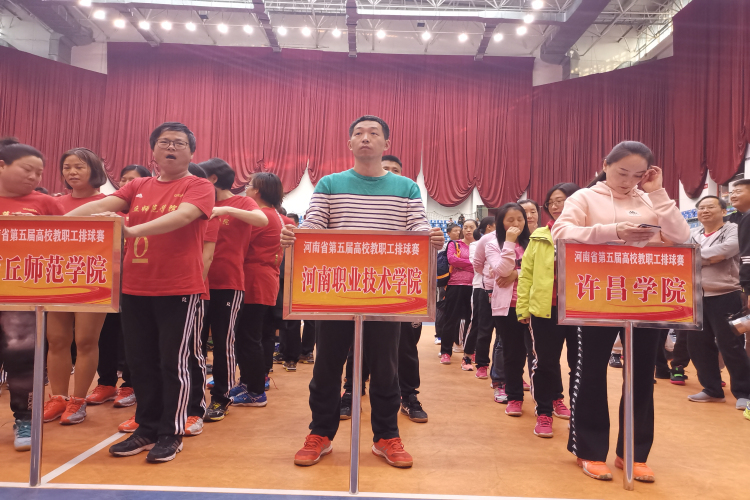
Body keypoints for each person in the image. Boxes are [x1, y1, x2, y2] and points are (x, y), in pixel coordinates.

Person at [281, 115, 444, 469]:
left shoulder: (406, 188)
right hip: (337, 291)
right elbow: (314, 226)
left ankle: (386, 436)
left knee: (386, 368)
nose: (365, 138)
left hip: (386, 293)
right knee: (327, 365)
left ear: (387, 144)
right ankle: (320, 433)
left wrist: (431, 238)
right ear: (350, 143)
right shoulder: (330, 183)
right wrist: (296, 236)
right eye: (358, 133)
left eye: (373, 133)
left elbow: (417, 227)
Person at [68, 122, 215, 463]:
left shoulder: (198, 186)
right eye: (164, 142)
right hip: (135, 288)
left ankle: (171, 432)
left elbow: (184, 216)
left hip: (178, 288)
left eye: (179, 143)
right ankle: (147, 428)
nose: (171, 147)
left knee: (173, 363)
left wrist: (131, 231)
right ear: (153, 150)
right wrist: (61, 222)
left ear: (191, 152)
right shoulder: (138, 185)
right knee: (140, 363)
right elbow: (97, 206)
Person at [552, 141, 690, 482]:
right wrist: (612, 232)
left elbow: (681, 237)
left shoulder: (651, 199)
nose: (628, 181)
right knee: (591, 372)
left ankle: (633, 452)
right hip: (596, 295)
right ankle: (589, 450)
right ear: (605, 165)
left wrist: (658, 193)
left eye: (637, 175)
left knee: (642, 375)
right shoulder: (584, 198)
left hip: (645, 296)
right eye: (622, 172)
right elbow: (561, 232)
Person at [0, 138, 64, 451]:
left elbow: (68, 246)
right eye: (27, 169)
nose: (34, 177)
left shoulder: (46, 204)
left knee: (22, 358)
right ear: (2, 166)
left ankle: (25, 419)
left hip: (21, 296)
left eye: (38, 173)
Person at [196, 158, 268, 421]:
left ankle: (221, 397)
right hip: (196, 283)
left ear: (213, 179)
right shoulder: (198, 203)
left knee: (224, 342)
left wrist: (225, 210)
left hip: (227, 283)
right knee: (195, 343)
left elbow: (261, 219)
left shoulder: (241, 202)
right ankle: (193, 399)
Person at [44, 148, 109, 425]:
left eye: (79, 167)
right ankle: (58, 398)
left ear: (94, 170)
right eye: (67, 167)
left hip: (94, 280)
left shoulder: (109, 203)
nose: (72, 172)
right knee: (57, 340)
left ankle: (78, 400)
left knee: (85, 341)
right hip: (58, 279)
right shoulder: (53, 203)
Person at [88, 165, 152, 433]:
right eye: (122, 181)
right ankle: (105, 382)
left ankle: (129, 385)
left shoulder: (145, 216)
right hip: (104, 283)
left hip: (136, 284)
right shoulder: (106, 213)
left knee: (131, 338)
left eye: (131, 181)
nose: (125, 185)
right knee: (105, 333)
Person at [516, 183, 580, 439]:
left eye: (560, 200)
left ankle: (577, 413)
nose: (555, 206)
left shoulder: (587, 232)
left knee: (580, 365)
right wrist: (523, 308)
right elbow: (526, 275)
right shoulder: (540, 236)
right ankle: (544, 412)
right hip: (545, 310)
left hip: (579, 309)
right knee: (545, 363)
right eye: (551, 202)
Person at [230, 172, 285, 408]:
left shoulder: (262, 216)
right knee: (250, 336)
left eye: (249, 185)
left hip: (254, 281)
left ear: (258, 191)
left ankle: (255, 391)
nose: (246, 188)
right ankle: (248, 381)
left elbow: (237, 242)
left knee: (249, 337)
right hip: (261, 280)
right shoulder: (273, 214)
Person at [380, 155, 428, 423]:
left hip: (403, 282)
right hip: (365, 284)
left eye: (395, 170)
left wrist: (430, 237)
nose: (390, 173)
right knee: (358, 343)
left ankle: (408, 396)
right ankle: (351, 390)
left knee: (406, 346)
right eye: (385, 169)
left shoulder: (410, 198)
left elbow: (421, 233)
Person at [486, 203, 531, 419]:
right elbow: (502, 271)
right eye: (510, 220)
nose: (516, 224)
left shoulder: (533, 242)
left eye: (520, 219)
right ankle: (514, 397)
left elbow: (542, 271)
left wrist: (516, 274)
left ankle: (549, 399)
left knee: (539, 355)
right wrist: (510, 242)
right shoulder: (493, 244)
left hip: (532, 306)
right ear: (501, 223)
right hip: (507, 308)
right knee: (513, 354)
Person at [440, 219, 477, 364]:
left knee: (472, 321)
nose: (468, 230)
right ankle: (445, 352)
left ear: (477, 229)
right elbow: (452, 260)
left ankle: (470, 351)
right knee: (451, 319)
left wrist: (463, 265)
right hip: (455, 285)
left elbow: (482, 264)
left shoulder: (479, 245)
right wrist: (472, 264)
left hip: (474, 286)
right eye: (465, 227)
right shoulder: (454, 244)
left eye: (471, 227)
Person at [463, 216, 496, 372]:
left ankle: (492, 364)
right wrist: (494, 270)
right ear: (489, 227)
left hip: (499, 289)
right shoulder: (476, 244)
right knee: (477, 323)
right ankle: (467, 355)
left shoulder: (504, 243)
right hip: (479, 287)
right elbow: (477, 266)